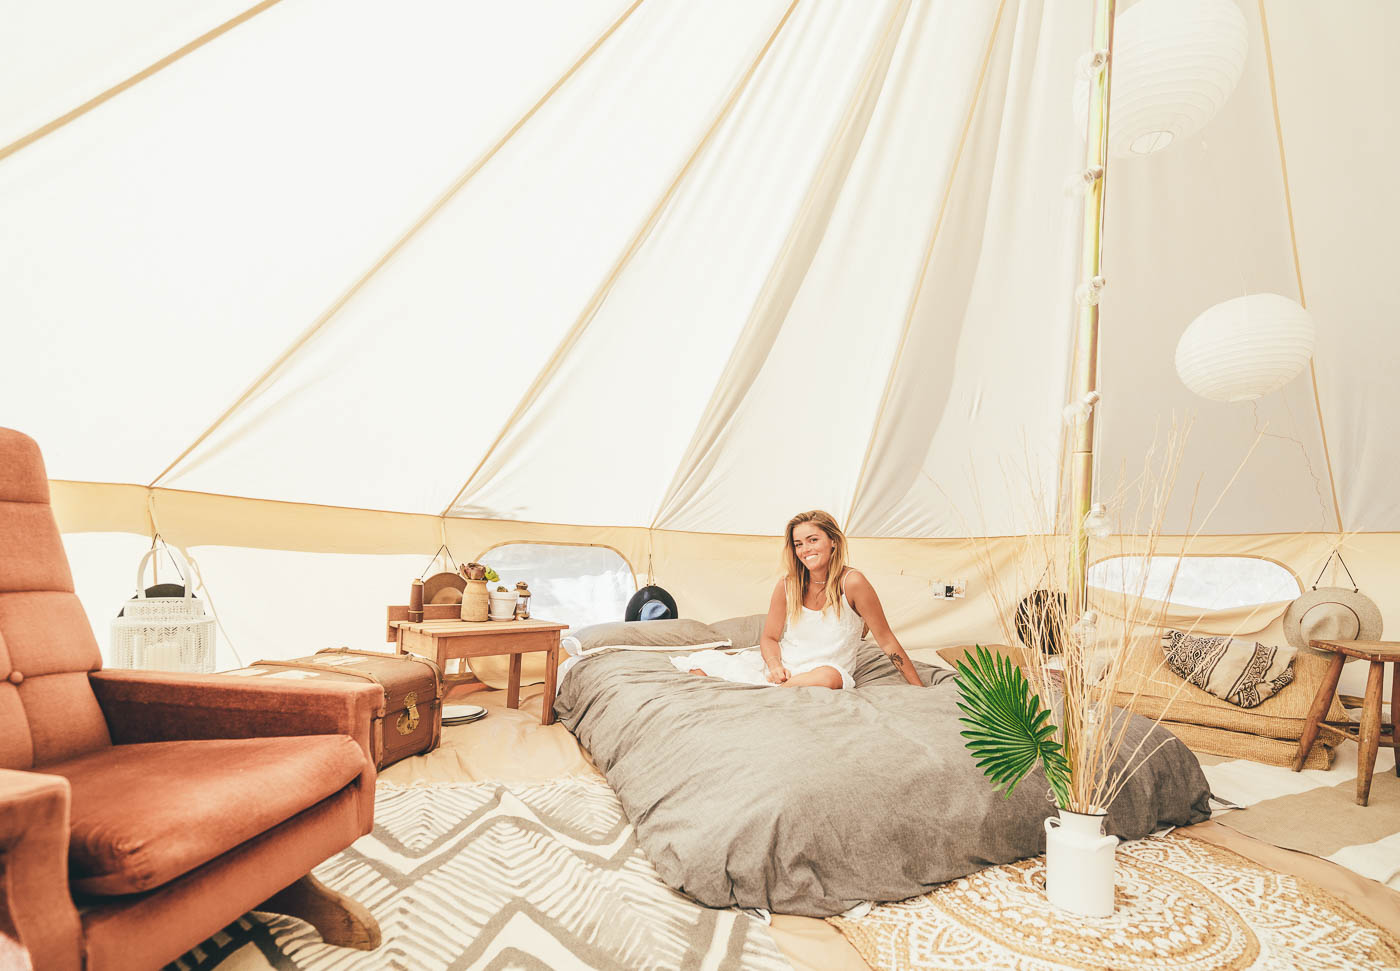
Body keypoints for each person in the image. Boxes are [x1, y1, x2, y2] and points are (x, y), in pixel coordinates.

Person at [671, 510, 924, 688]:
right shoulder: (787, 585)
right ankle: (772, 687)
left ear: (833, 541)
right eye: (799, 544)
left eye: (813, 540)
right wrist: (774, 665)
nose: (805, 550)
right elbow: (769, 637)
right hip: (784, 669)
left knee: (828, 677)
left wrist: (919, 688)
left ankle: (769, 692)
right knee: (700, 669)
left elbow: (887, 640)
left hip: (825, 672)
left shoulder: (853, 583)